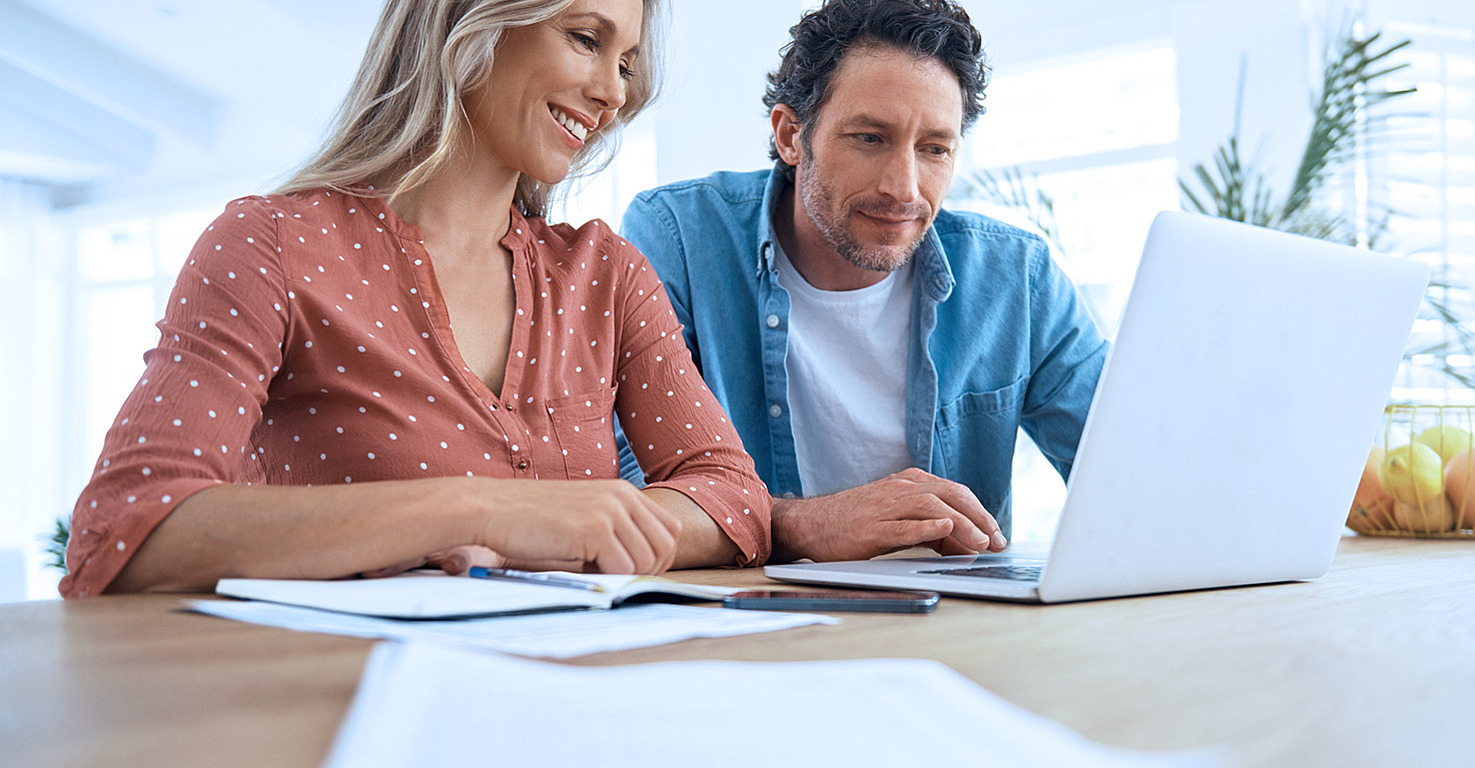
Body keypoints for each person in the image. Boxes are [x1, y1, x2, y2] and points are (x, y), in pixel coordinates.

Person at [60, 0, 771, 599]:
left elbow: (734, 499)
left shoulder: (606, 275)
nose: (614, 94)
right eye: (586, 39)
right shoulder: (268, 245)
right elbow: (124, 529)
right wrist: (479, 509)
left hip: (565, 699)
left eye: (625, 64)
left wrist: (583, 534)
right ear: (471, 23)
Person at [612, 0, 1108, 564]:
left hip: (957, 629)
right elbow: (626, 489)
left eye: (935, 149)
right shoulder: (678, 237)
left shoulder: (1016, 276)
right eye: (870, 138)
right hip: (751, 624)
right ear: (791, 134)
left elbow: (1128, 472)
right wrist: (806, 525)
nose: (905, 188)